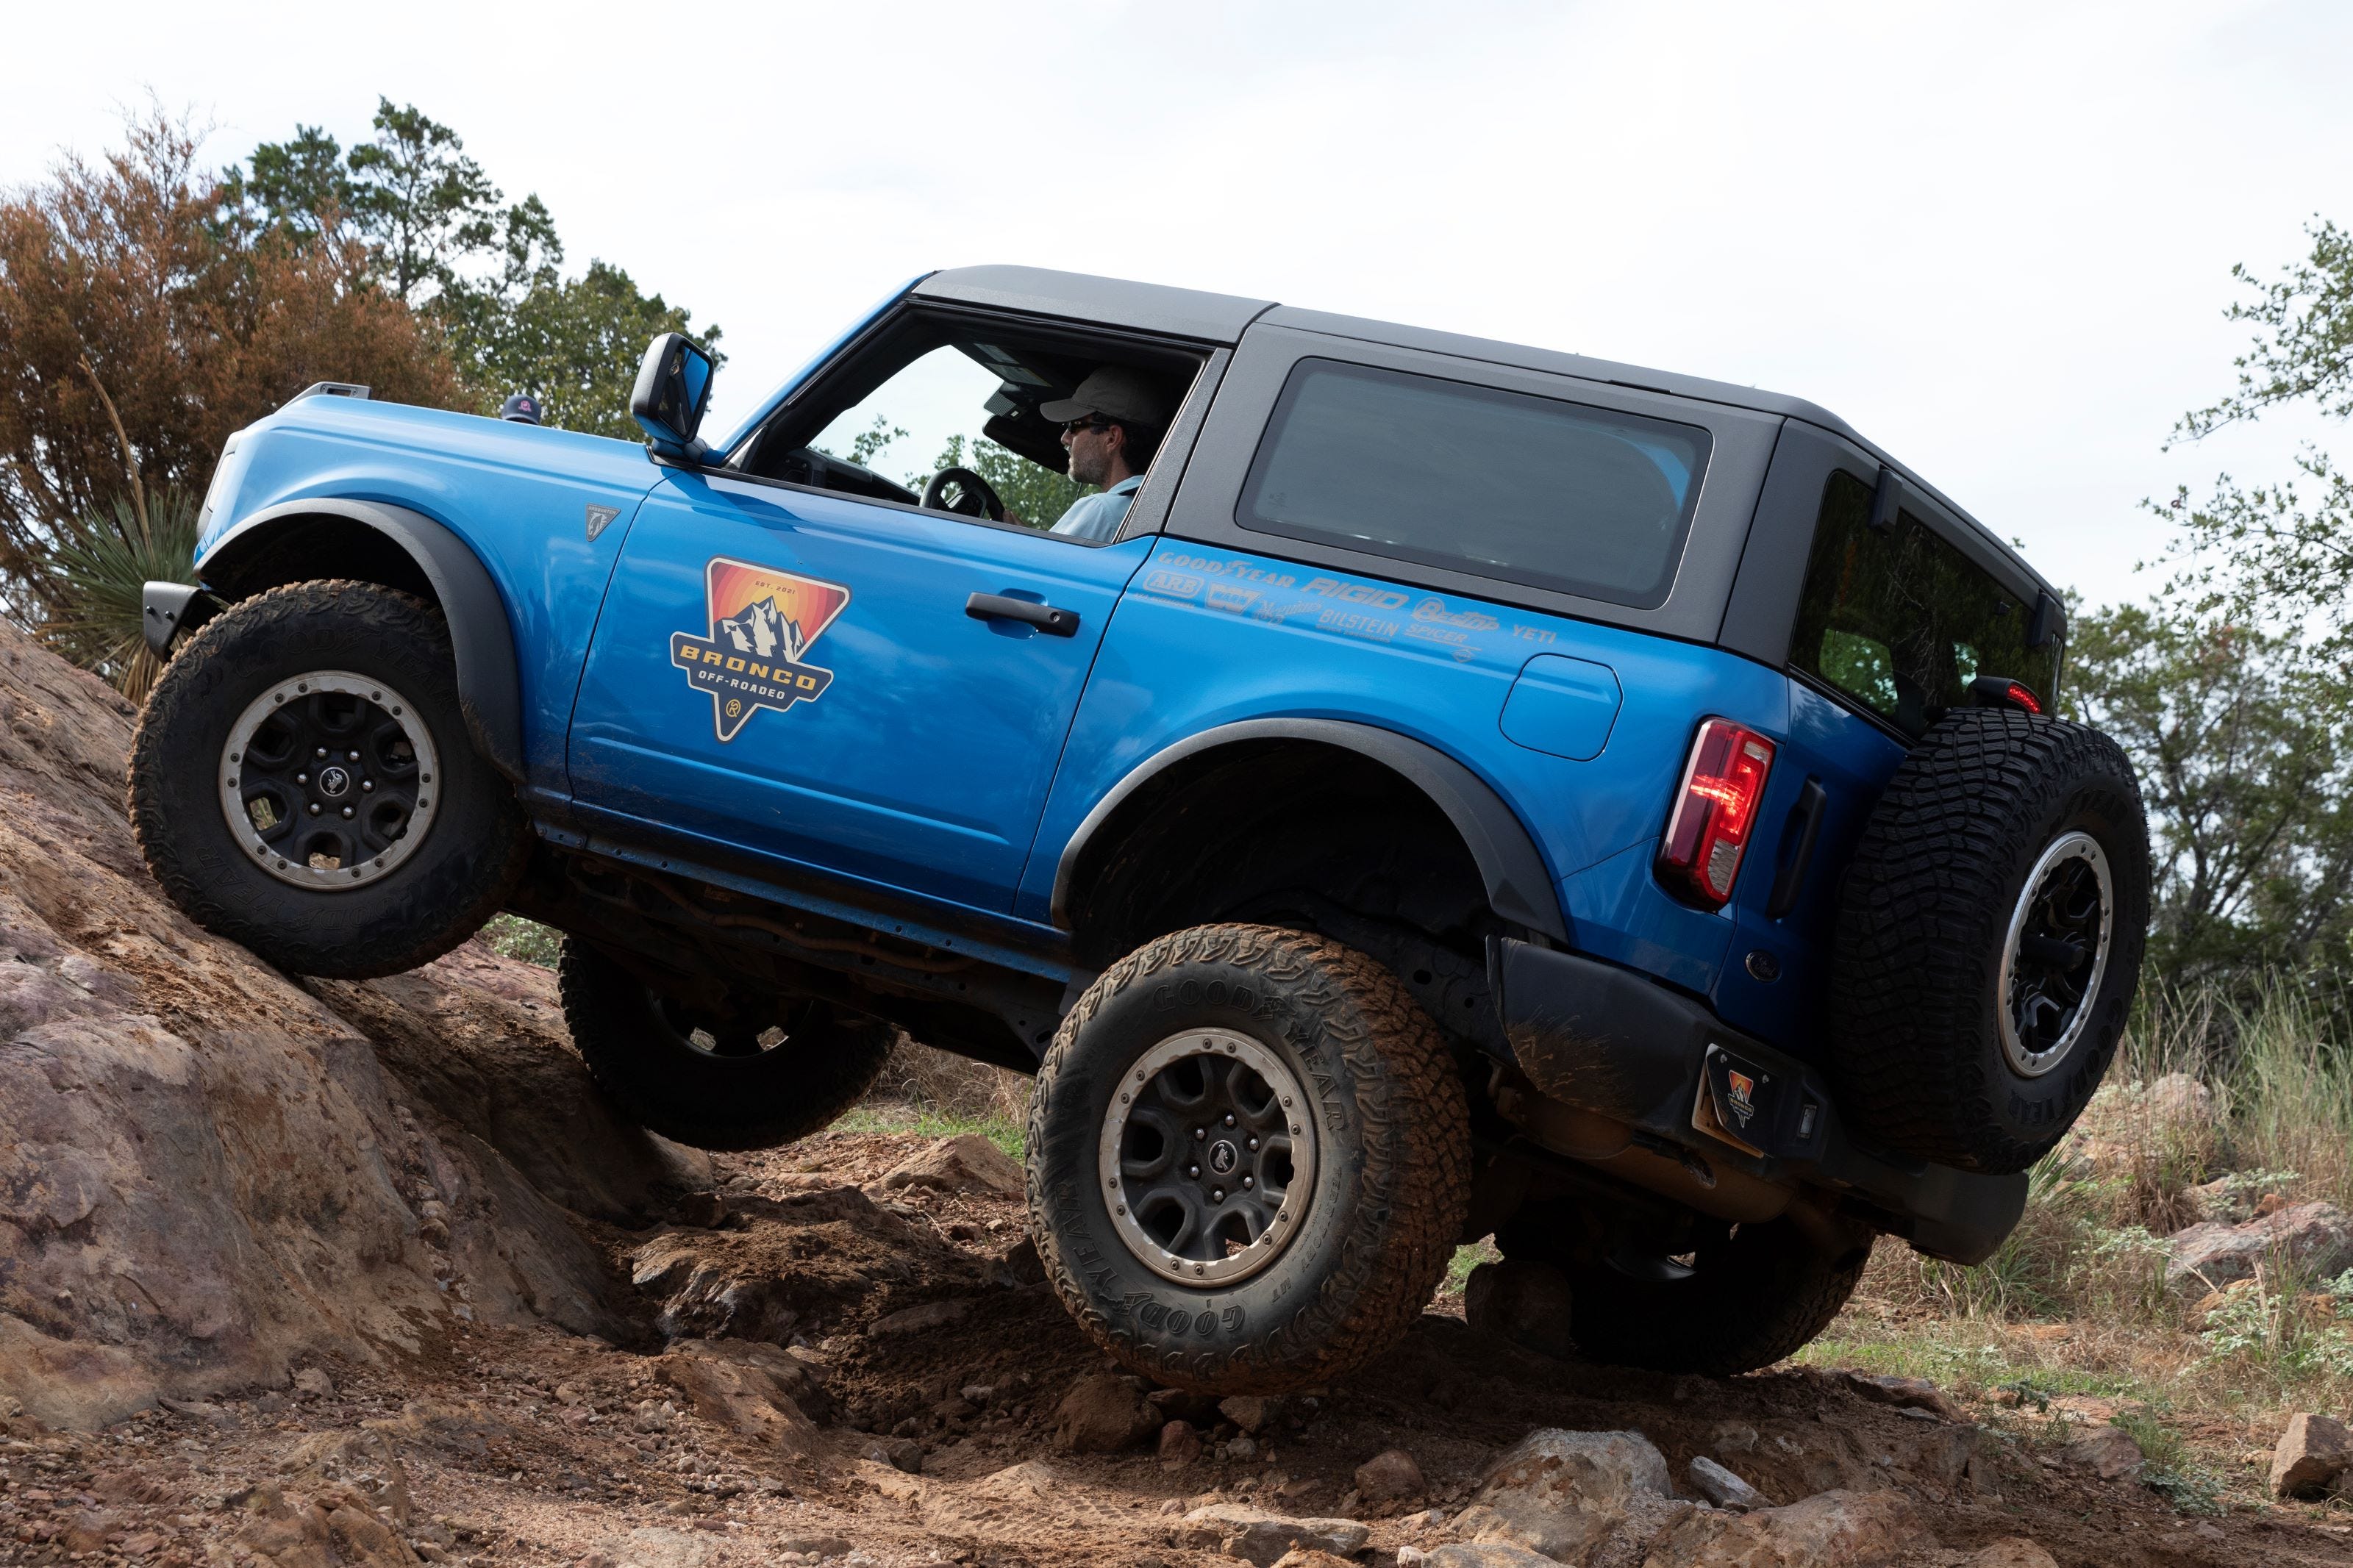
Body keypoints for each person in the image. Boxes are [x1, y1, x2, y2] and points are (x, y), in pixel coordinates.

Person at [1038, 367, 1170, 543]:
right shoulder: (1159, 507)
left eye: (1074, 426)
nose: (1065, 438)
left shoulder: (1103, 510)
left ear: (1112, 438)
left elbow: (1035, 565)